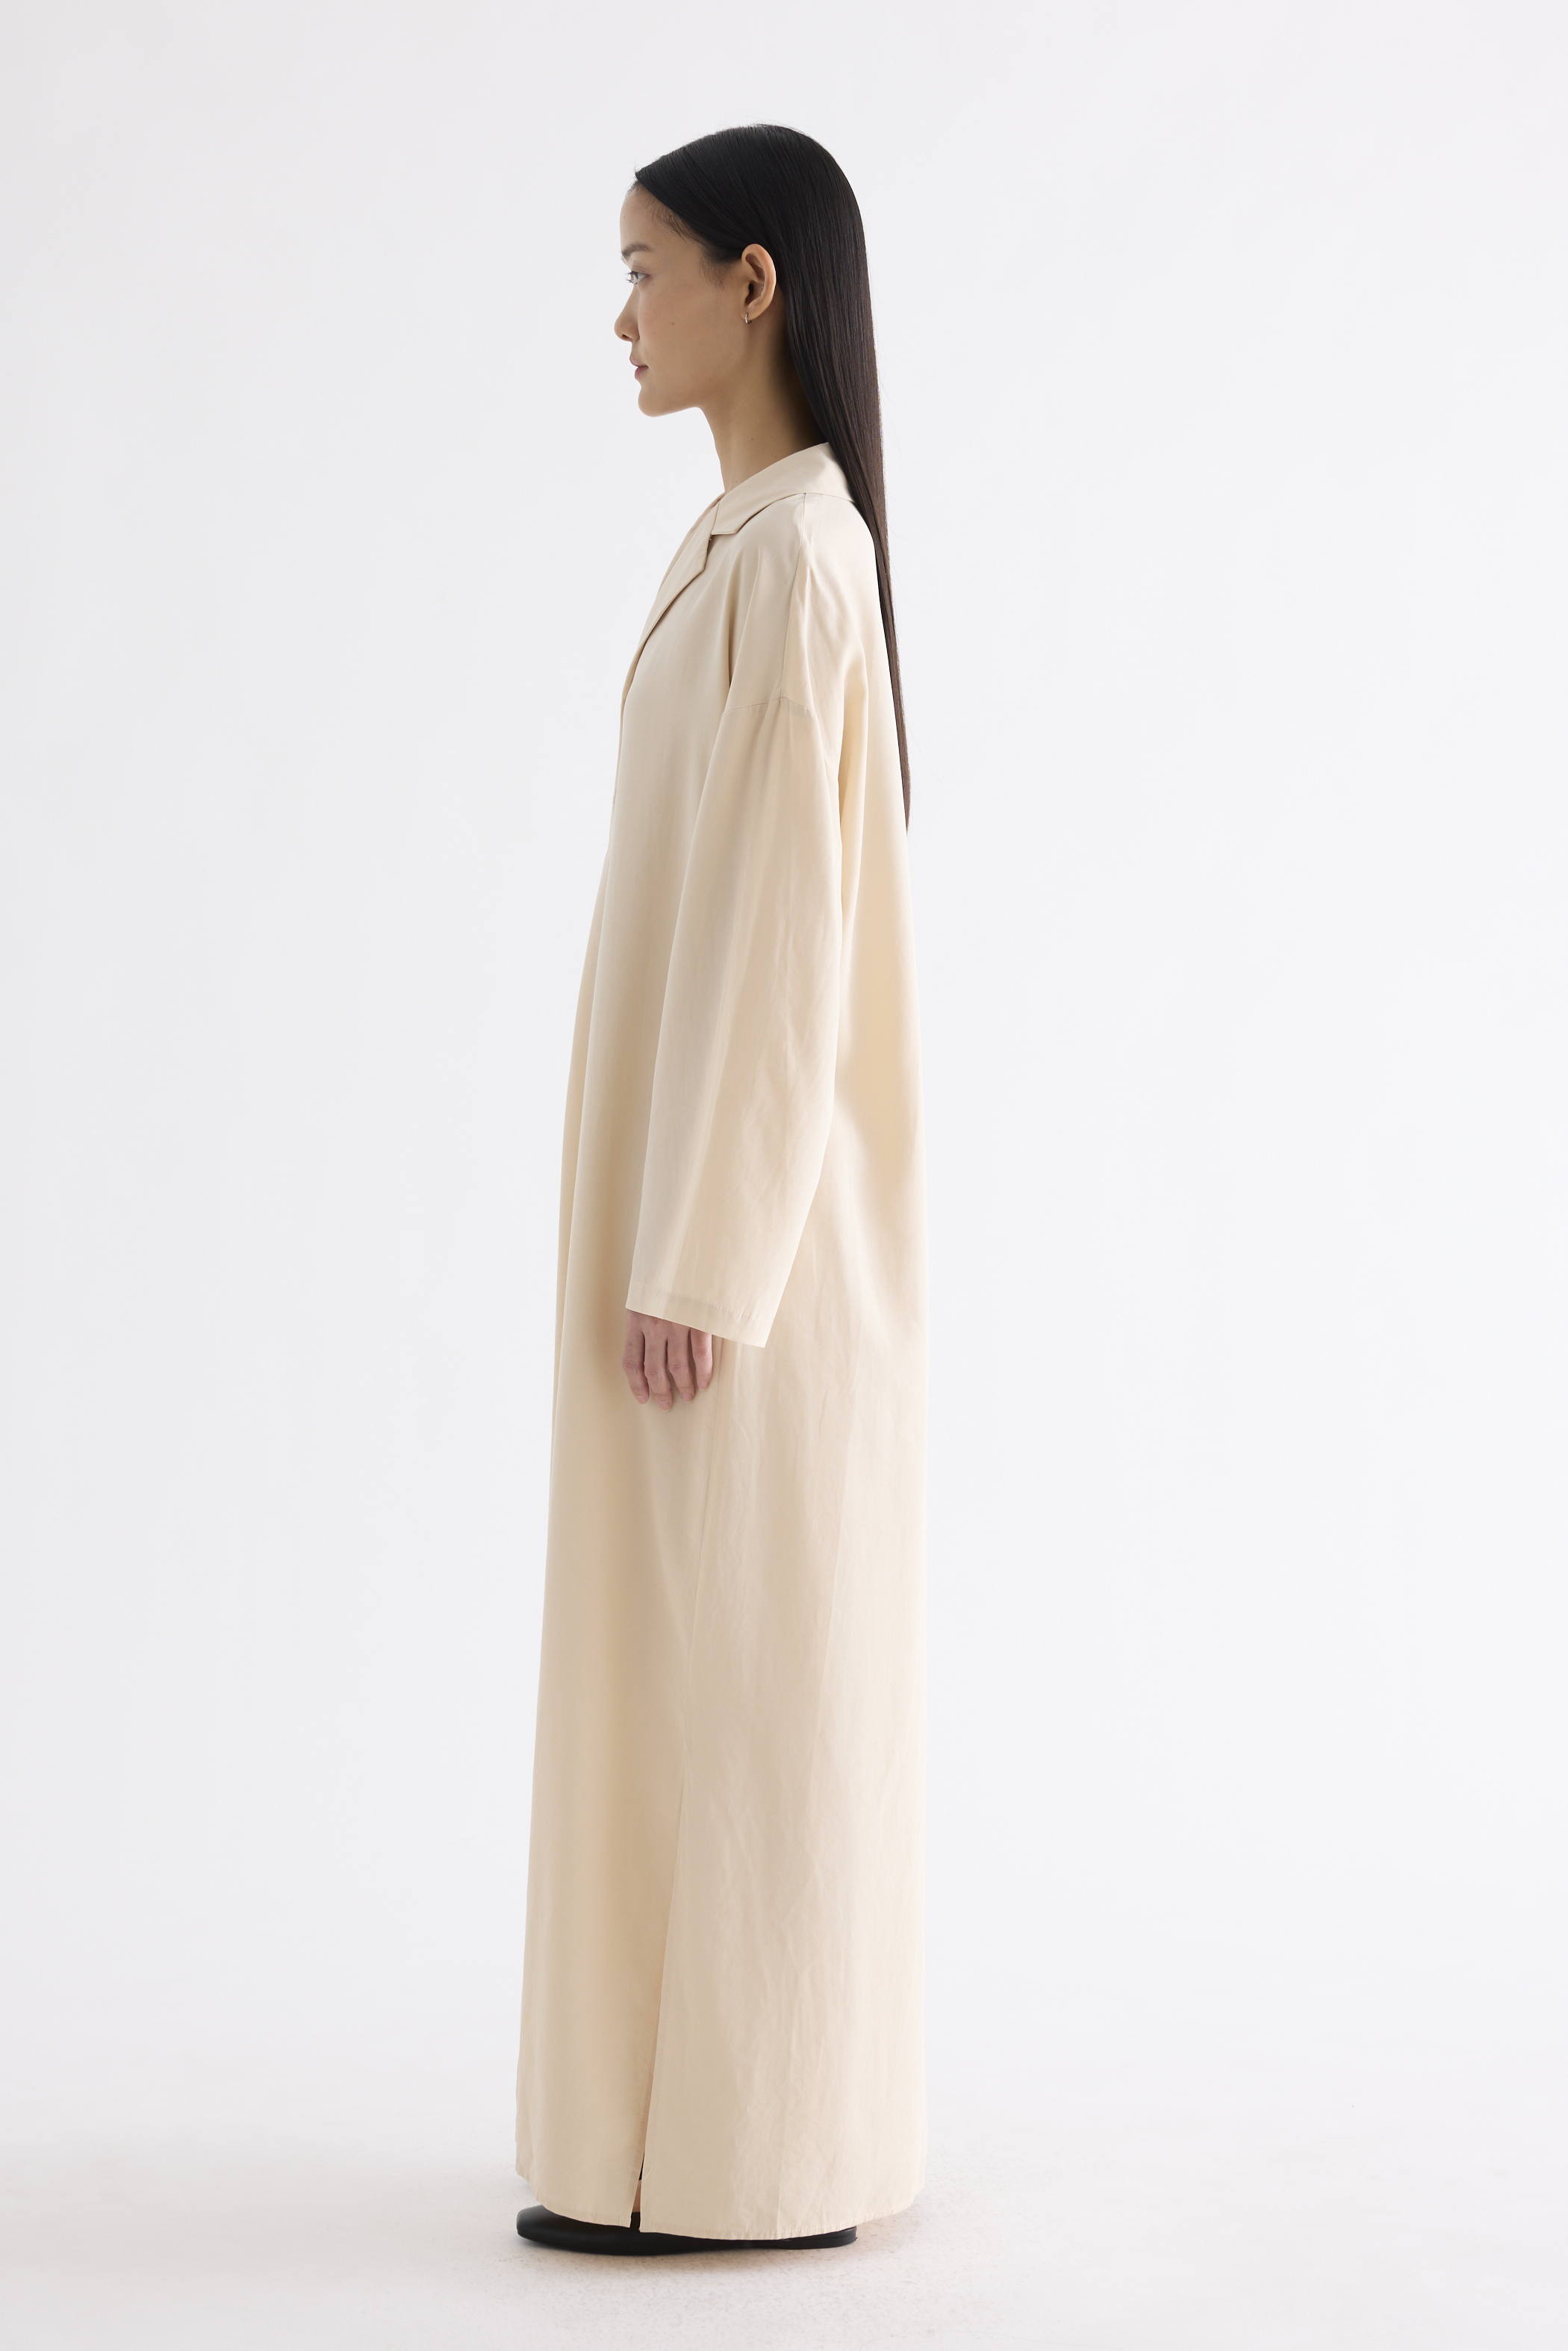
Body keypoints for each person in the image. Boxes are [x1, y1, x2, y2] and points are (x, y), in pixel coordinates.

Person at [514, 124, 927, 2258]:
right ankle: (678, 2141)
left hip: (733, 1262)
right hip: (702, 1226)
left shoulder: (789, 559)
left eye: (644, 268)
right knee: (705, 1675)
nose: (620, 316)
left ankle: (734, 2161)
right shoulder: (762, 542)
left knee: (737, 1692)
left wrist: (700, 1252)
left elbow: (780, 939)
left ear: (750, 284)